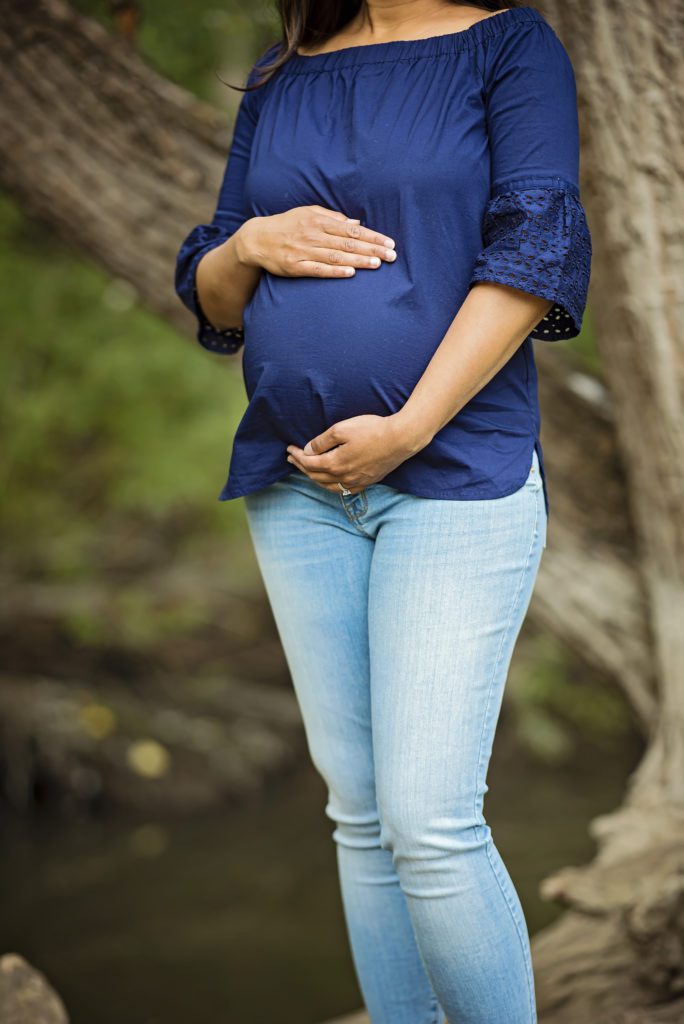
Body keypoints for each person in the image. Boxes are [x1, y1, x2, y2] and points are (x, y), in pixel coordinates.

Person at [174, 2, 592, 1021]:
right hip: (297, 486)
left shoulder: (509, 46)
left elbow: (533, 254)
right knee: (359, 819)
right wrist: (251, 242)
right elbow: (215, 294)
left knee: (430, 824)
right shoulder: (284, 71)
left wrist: (407, 428)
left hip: (455, 475)